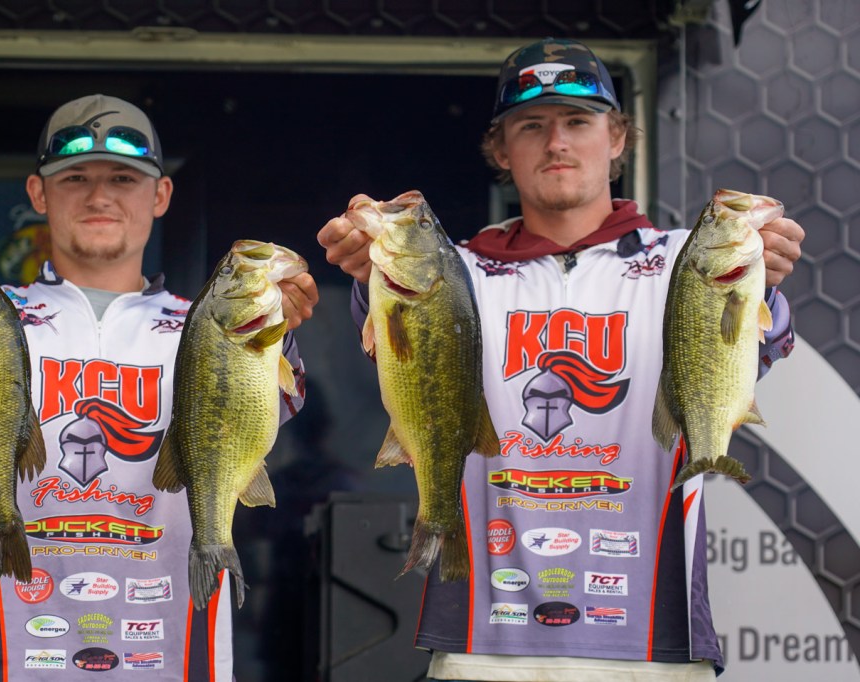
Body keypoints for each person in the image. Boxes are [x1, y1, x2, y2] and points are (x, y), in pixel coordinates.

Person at [317, 38, 803, 681]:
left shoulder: (687, 260)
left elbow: (753, 352)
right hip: (482, 646)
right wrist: (367, 268)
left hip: (654, 644)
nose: (556, 143)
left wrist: (763, 283)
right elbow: (396, 345)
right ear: (500, 149)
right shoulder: (453, 271)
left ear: (618, 137)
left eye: (578, 121)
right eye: (531, 125)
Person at [0, 93, 318, 681]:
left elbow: (279, 405)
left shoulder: (205, 322)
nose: (99, 196)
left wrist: (275, 335)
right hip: (3, 654)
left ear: (161, 195)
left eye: (123, 178)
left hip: (171, 651)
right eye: (75, 178)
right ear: (38, 193)